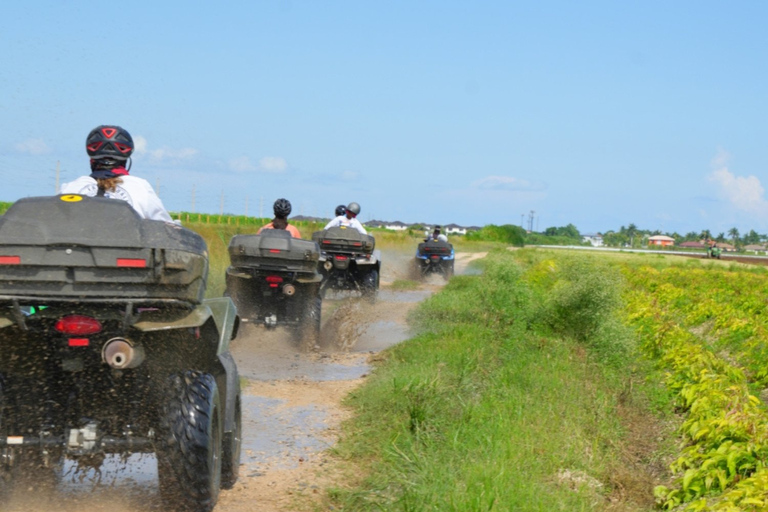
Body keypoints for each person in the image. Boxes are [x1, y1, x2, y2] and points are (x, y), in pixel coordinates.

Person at [60, 125, 174, 222]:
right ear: (125, 160)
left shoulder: (71, 188)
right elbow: (167, 228)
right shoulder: (139, 187)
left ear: (91, 160)